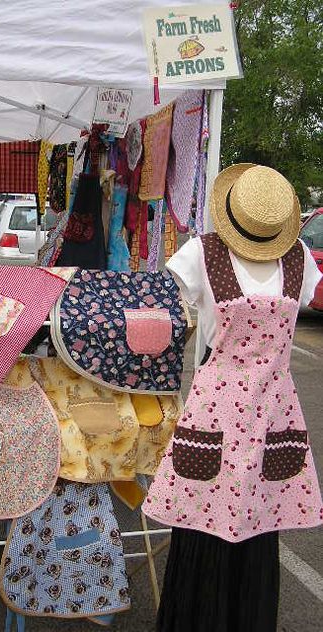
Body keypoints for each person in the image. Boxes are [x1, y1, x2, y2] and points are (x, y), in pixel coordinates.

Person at [143, 164, 323, 632]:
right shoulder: (199, 255)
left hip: (272, 414)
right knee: (205, 527)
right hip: (216, 416)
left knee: (260, 527)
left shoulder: (300, 258)